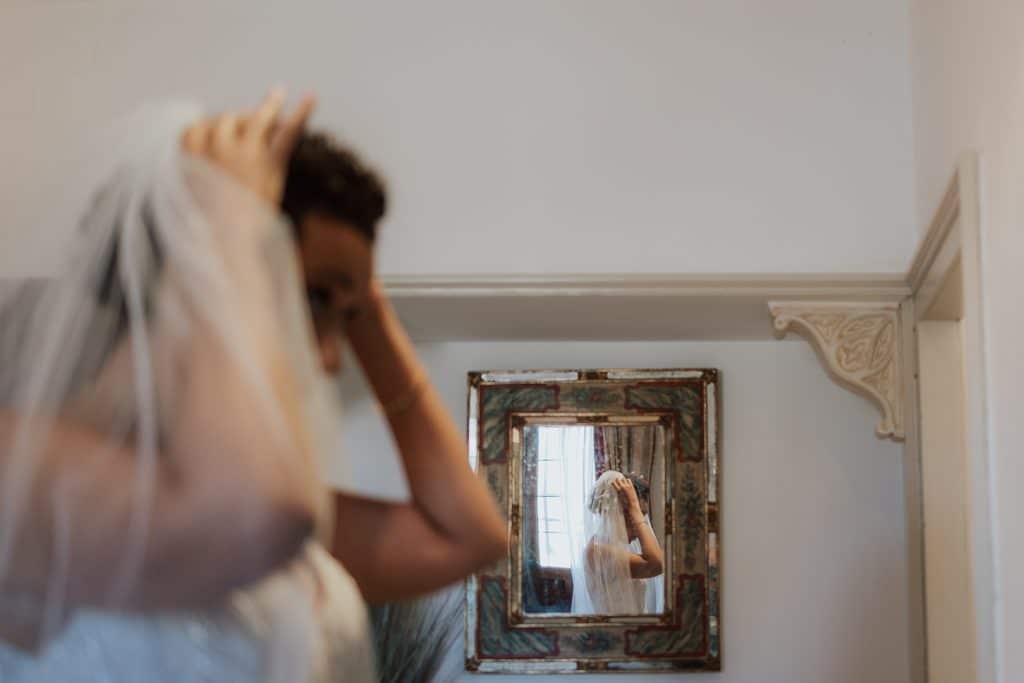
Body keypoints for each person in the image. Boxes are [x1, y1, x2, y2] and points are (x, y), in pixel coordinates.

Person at [0, 90, 505, 681]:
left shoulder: (259, 497)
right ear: (193, 270)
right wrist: (230, 219)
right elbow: (247, 515)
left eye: (346, 318)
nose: (328, 359)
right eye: (314, 299)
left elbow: (468, 537)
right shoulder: (20, 472)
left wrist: (362, 300)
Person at [576, 471, 664, 615]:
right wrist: (634, 506)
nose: (639, 527)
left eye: (642, 516)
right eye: (634, 516)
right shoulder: (597, 550)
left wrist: (634, 508)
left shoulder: (618, 546)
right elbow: (656, 565)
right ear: (616, 512)